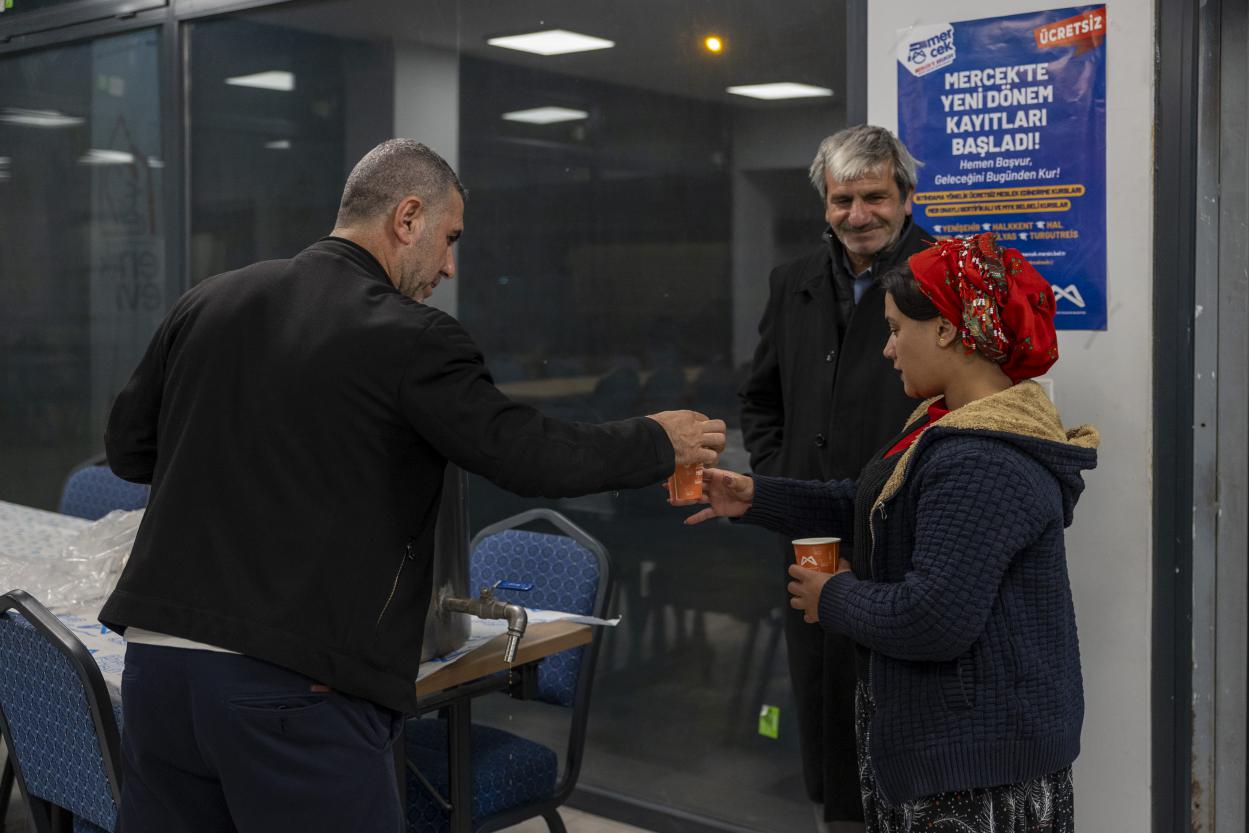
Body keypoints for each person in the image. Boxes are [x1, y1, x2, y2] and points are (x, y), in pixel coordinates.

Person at [100, 139, 726, 833]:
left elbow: (129, 449)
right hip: (291, 685)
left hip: (158, 667)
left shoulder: (208, 300)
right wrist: (654, 441)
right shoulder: (410, 335)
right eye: (449, 238)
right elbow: (525, 454)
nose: (449, 266)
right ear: (406, 218)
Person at [693, 233, 1098, 833]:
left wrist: (831, 596)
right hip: (955, 746)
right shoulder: (942, 421)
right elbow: (870, 503)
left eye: (893, 329)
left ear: (945, 329)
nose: (887, 350)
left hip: (974, 766)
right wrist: (754, 495)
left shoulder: (981, 458)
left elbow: (931, 618)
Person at [737, 125, 932, 831]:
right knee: (822, 692)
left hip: (904, 530)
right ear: (824, 203)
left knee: (897, 704)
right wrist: (778, 475)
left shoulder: (943, 273)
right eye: (841, 198)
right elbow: (759, 396)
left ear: (907, 197)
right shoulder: (792, 282)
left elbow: (968, 399)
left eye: (875, 196)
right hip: (811, 530)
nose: (858, 214)